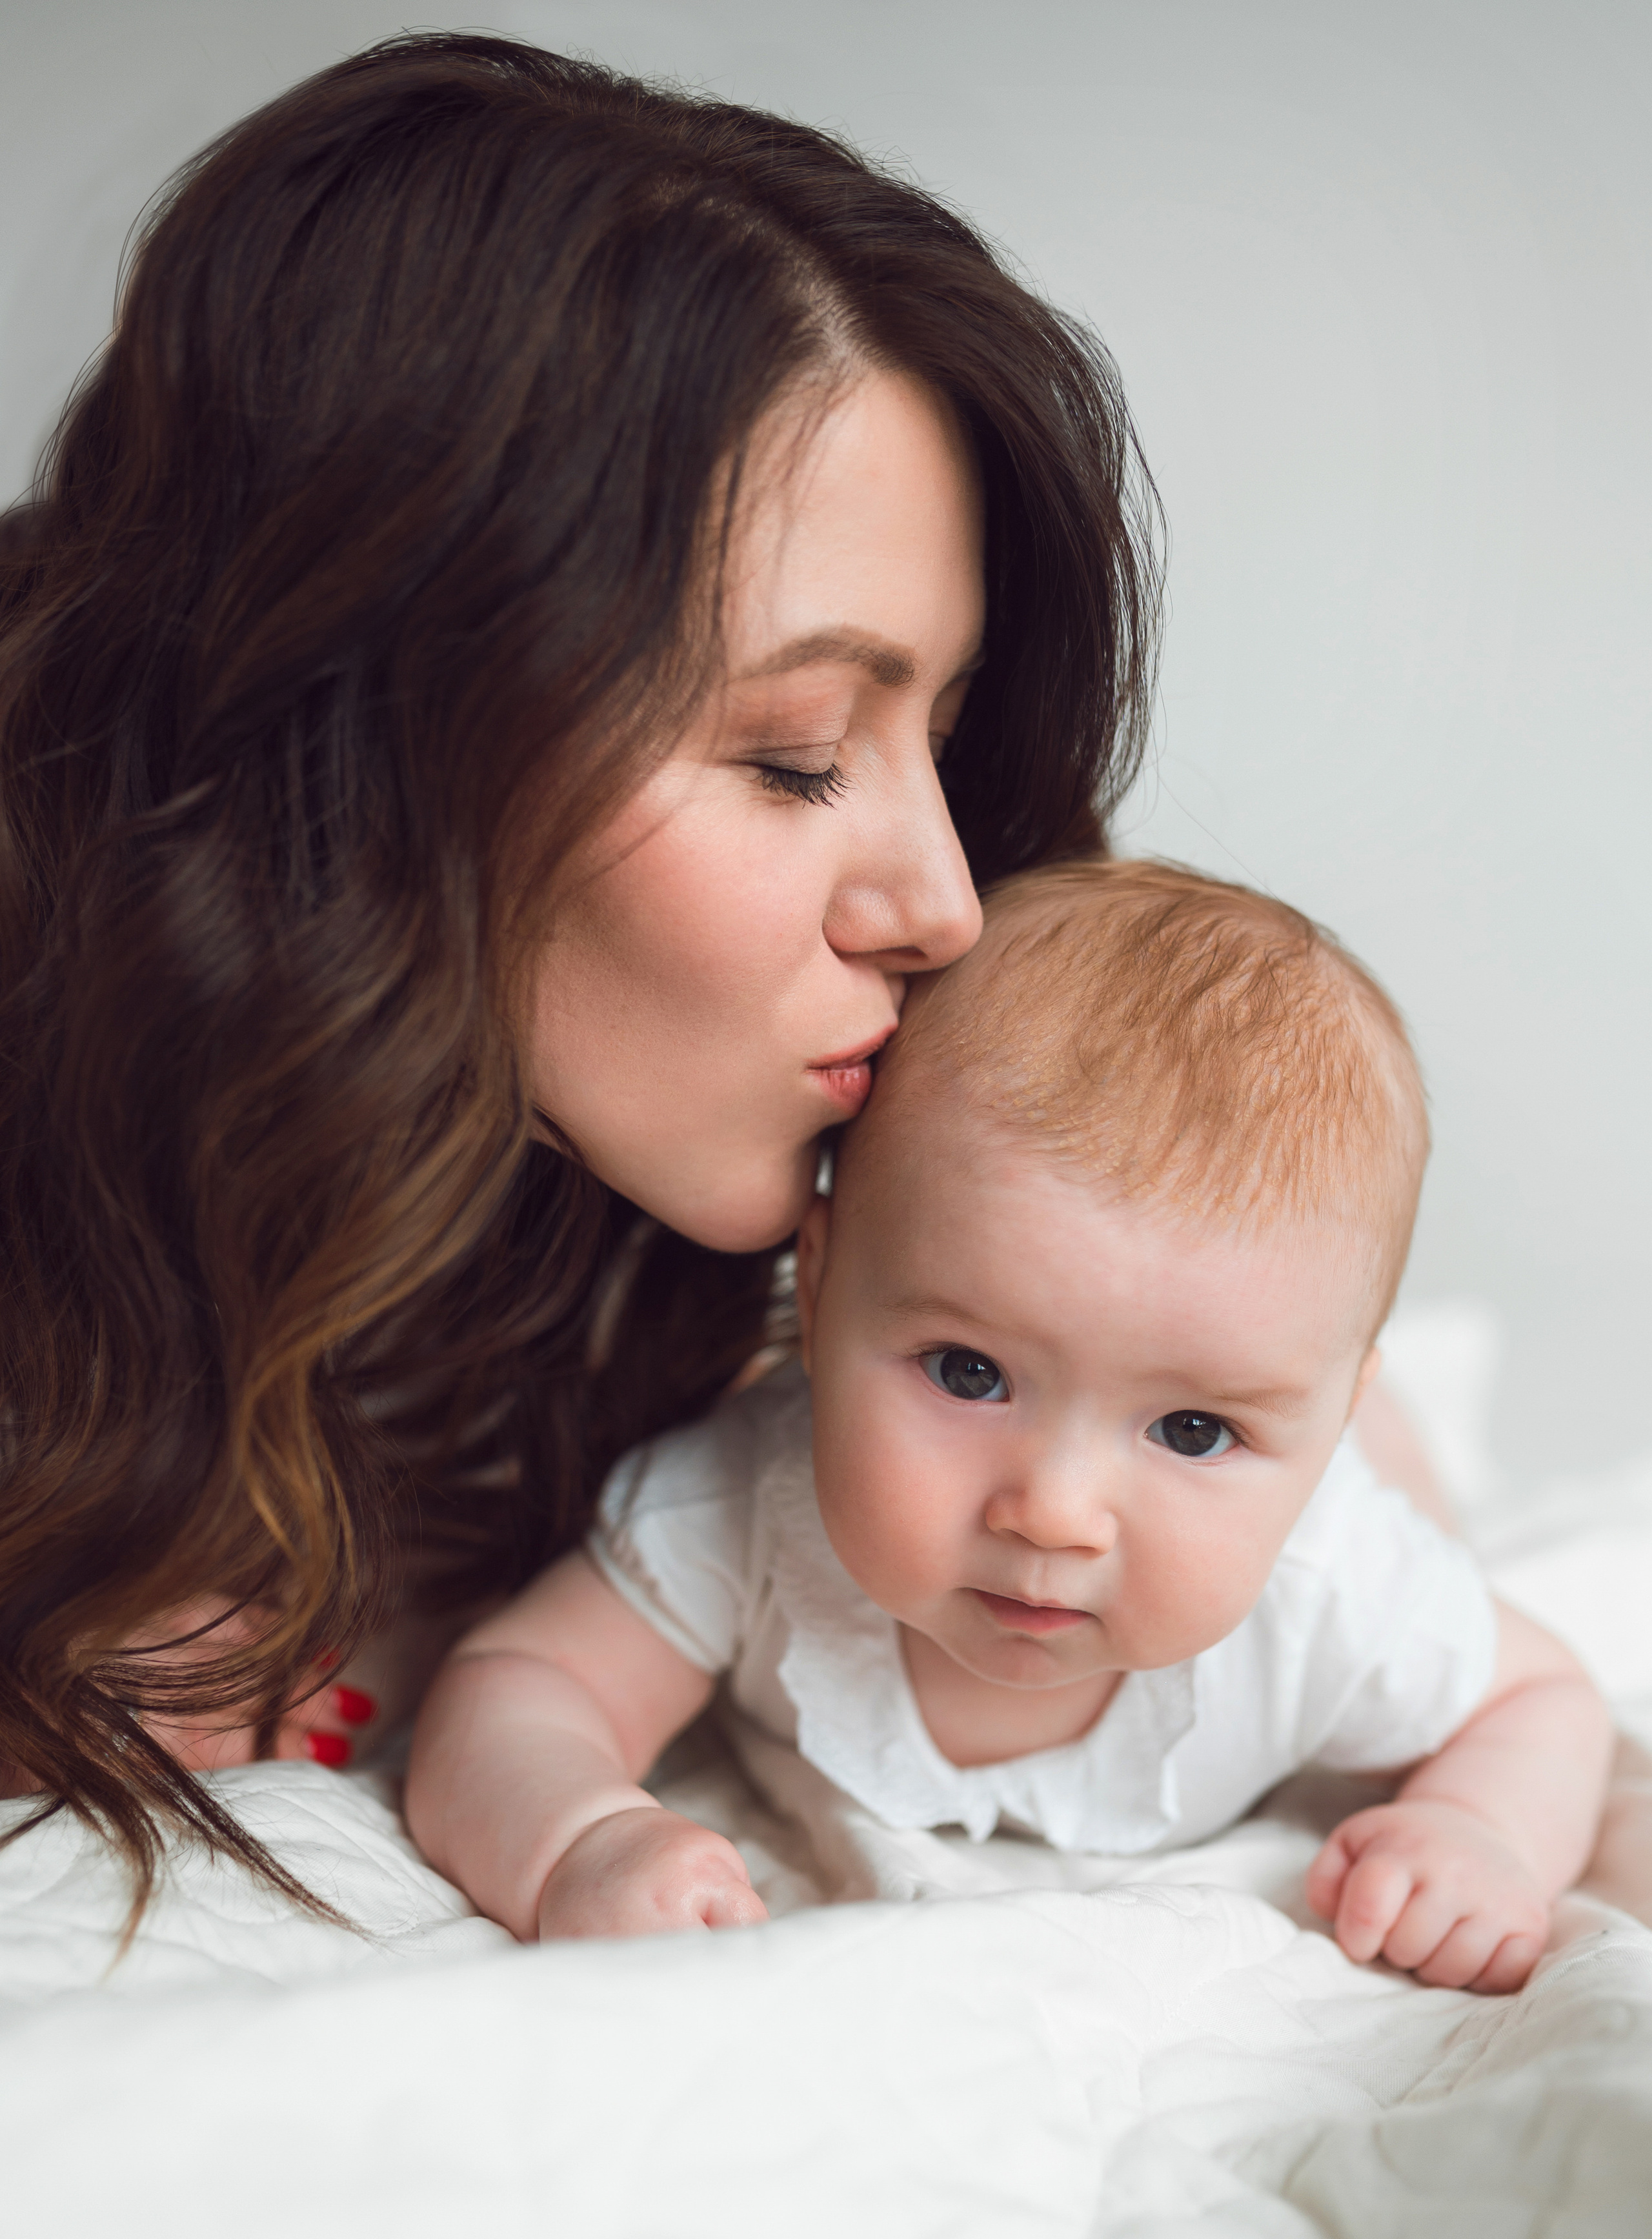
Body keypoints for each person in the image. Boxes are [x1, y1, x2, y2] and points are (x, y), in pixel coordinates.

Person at [0, 33, 1159, 1915]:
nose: (945, 898)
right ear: (366, 730)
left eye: (940, 741)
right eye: (795, 756)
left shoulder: (622, 1256)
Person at [407, 859, 1613, 1994]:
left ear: (1316, 1428)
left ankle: (1381, 1417)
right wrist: (580, 1836)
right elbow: (524, 1681)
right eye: (970, 1371)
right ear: (817, 1288)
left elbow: (1542, 1700)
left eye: (1193, 1431)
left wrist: (1480, 1826)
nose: (1054, 1509)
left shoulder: (1337, 1587)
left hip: (1361, 1450)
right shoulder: (745, 1506)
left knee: (1414, 1483)